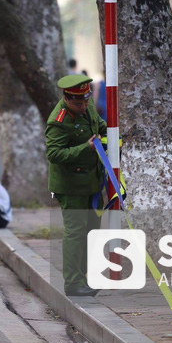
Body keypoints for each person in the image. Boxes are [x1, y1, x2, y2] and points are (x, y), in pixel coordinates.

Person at [46, 74, 107, 297]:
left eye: (86, 101)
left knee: (92, 231)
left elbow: (101, 127)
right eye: (78, 103)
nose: (83, 106)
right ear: (67, 98)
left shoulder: (87, 107)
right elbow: (54, 154)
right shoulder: (59, 120)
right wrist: (85, 148)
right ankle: (73, 283)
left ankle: (84, 277)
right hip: (70, 187)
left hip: (92, 182)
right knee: (76, 233)